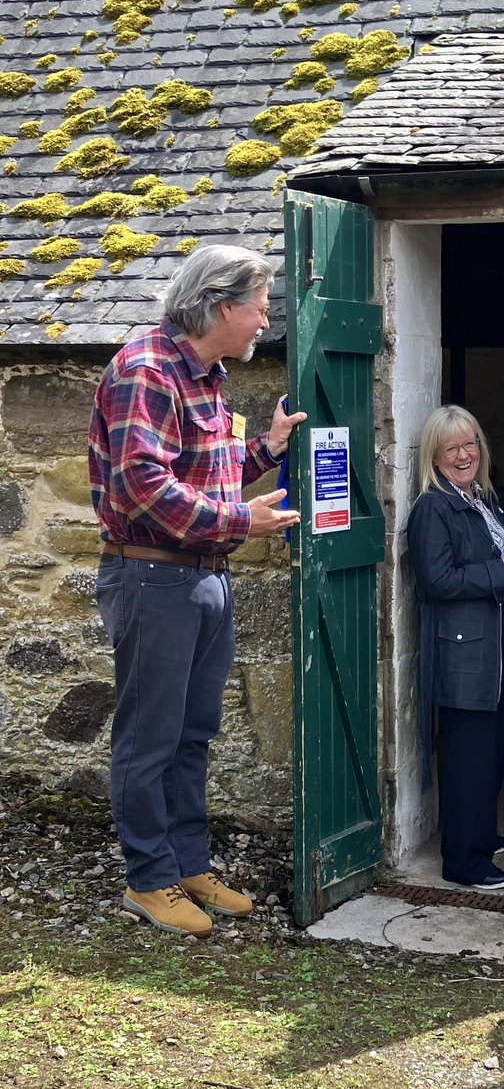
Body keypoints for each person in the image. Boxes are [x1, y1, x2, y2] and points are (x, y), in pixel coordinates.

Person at [88, 244, 306, 937]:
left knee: (192, 734)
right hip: (153, 574)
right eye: (259, 308)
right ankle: (148, 879)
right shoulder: (146, 370)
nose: (265, 322)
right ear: (218, 305)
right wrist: (244, 521)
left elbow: (205, 472)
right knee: (150, 735)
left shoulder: (205, 376)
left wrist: (267, 449)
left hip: (203, 575)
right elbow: (142, 487)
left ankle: (187, 866)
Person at [407, 405, 504, 891]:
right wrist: (499, 572)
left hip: (498, 649)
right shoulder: (433, 508)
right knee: (469, 755)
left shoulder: (482, 499)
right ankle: (464, 861)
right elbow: (436, 580)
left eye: (470, 444)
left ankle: (481, 835)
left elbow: (501, 558)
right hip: (465, 654)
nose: (463, 455)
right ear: (435, 457)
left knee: (495, 746)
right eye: (451, 448)